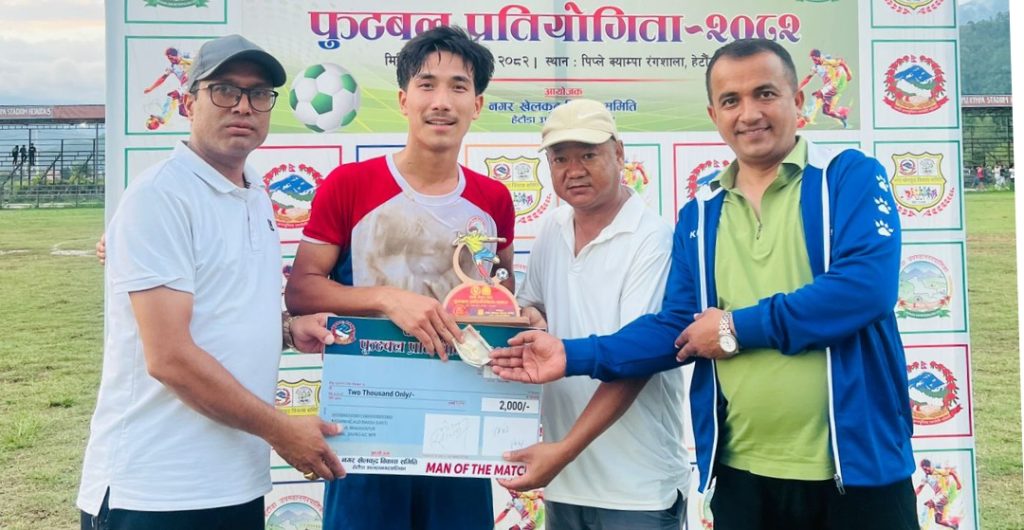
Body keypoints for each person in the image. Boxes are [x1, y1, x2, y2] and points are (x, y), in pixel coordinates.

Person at [491, 38, 917, 530]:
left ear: (798, 100)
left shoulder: (848, 178)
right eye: (731, 101)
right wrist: (571, 355)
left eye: (765, 94)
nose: (749, 113)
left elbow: (864, 290)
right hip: (741, 474)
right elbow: (673, 329)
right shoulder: (701, 214)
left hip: (857, 471)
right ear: (714, 115)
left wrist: (735, 328)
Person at [77, 34, 346, 530]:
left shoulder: (256, 194)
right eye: (224, 90)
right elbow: (169, 357)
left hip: (235, 482)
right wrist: (282, 431)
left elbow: (223, 310)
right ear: (188, 103)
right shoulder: (160, 197)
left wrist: (288, 330)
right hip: (156, 492)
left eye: (258, 94)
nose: (243, 106)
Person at [284, 26, 514, 530]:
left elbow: (500, 295)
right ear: (404, 99)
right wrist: (388, 299)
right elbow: (301, 290)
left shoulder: (494, 199)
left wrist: (522, 317)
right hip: (368, 423)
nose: (441, 101)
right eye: (427, 85)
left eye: (458, 87)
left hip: (460, 420)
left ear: (477, 105)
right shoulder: (350, 184)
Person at [497, 98, 690, 529]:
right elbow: (535, 305)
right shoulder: (552, 227)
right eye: (560, 158)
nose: (574, 170)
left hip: (637, 486)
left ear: (619, 154)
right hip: (565, 481)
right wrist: (530, 317)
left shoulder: (651, 238)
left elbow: (637, 361)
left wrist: (563, 451)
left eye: (588, 155)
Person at [798, 48, 852, 128]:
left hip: (835, 84)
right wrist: (799, 87)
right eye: (813, 60)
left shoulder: (827, 61)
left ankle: (807, 116)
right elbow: (808, 78)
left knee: (816, 95)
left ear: (819, 56)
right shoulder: (816, 67)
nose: (814, 61)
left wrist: (848, 75)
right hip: (829, 87)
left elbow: (841, 62)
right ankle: (842, 117)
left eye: (815, 59)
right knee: (826, 111)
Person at [913, 459, 962, 530]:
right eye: (924, 470)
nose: (926, 471)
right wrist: (912, 496)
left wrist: (958, 484)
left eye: (926, 469)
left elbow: (952, 472)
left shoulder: (938, 471)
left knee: (929, 503)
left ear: (930, 466)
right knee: (938, 520)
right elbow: (919, 488)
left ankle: (920, 526)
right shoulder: (926, 477)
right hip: (938, 498)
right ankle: (954, 526)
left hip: (944, 495)